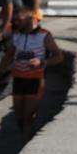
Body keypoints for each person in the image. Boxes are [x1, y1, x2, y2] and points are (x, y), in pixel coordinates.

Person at [7, 10, 63, 139]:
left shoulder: (44, 35)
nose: (16, 23)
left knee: (28, 117)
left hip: (35, 80)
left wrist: (42, 62)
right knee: (18, 117)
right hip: (18, 79)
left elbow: (59, 57)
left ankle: (26, 145)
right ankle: (27, 138)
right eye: (15, 20)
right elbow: (9, 55)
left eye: (19, 20)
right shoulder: (16, 35)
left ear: (30, 19)